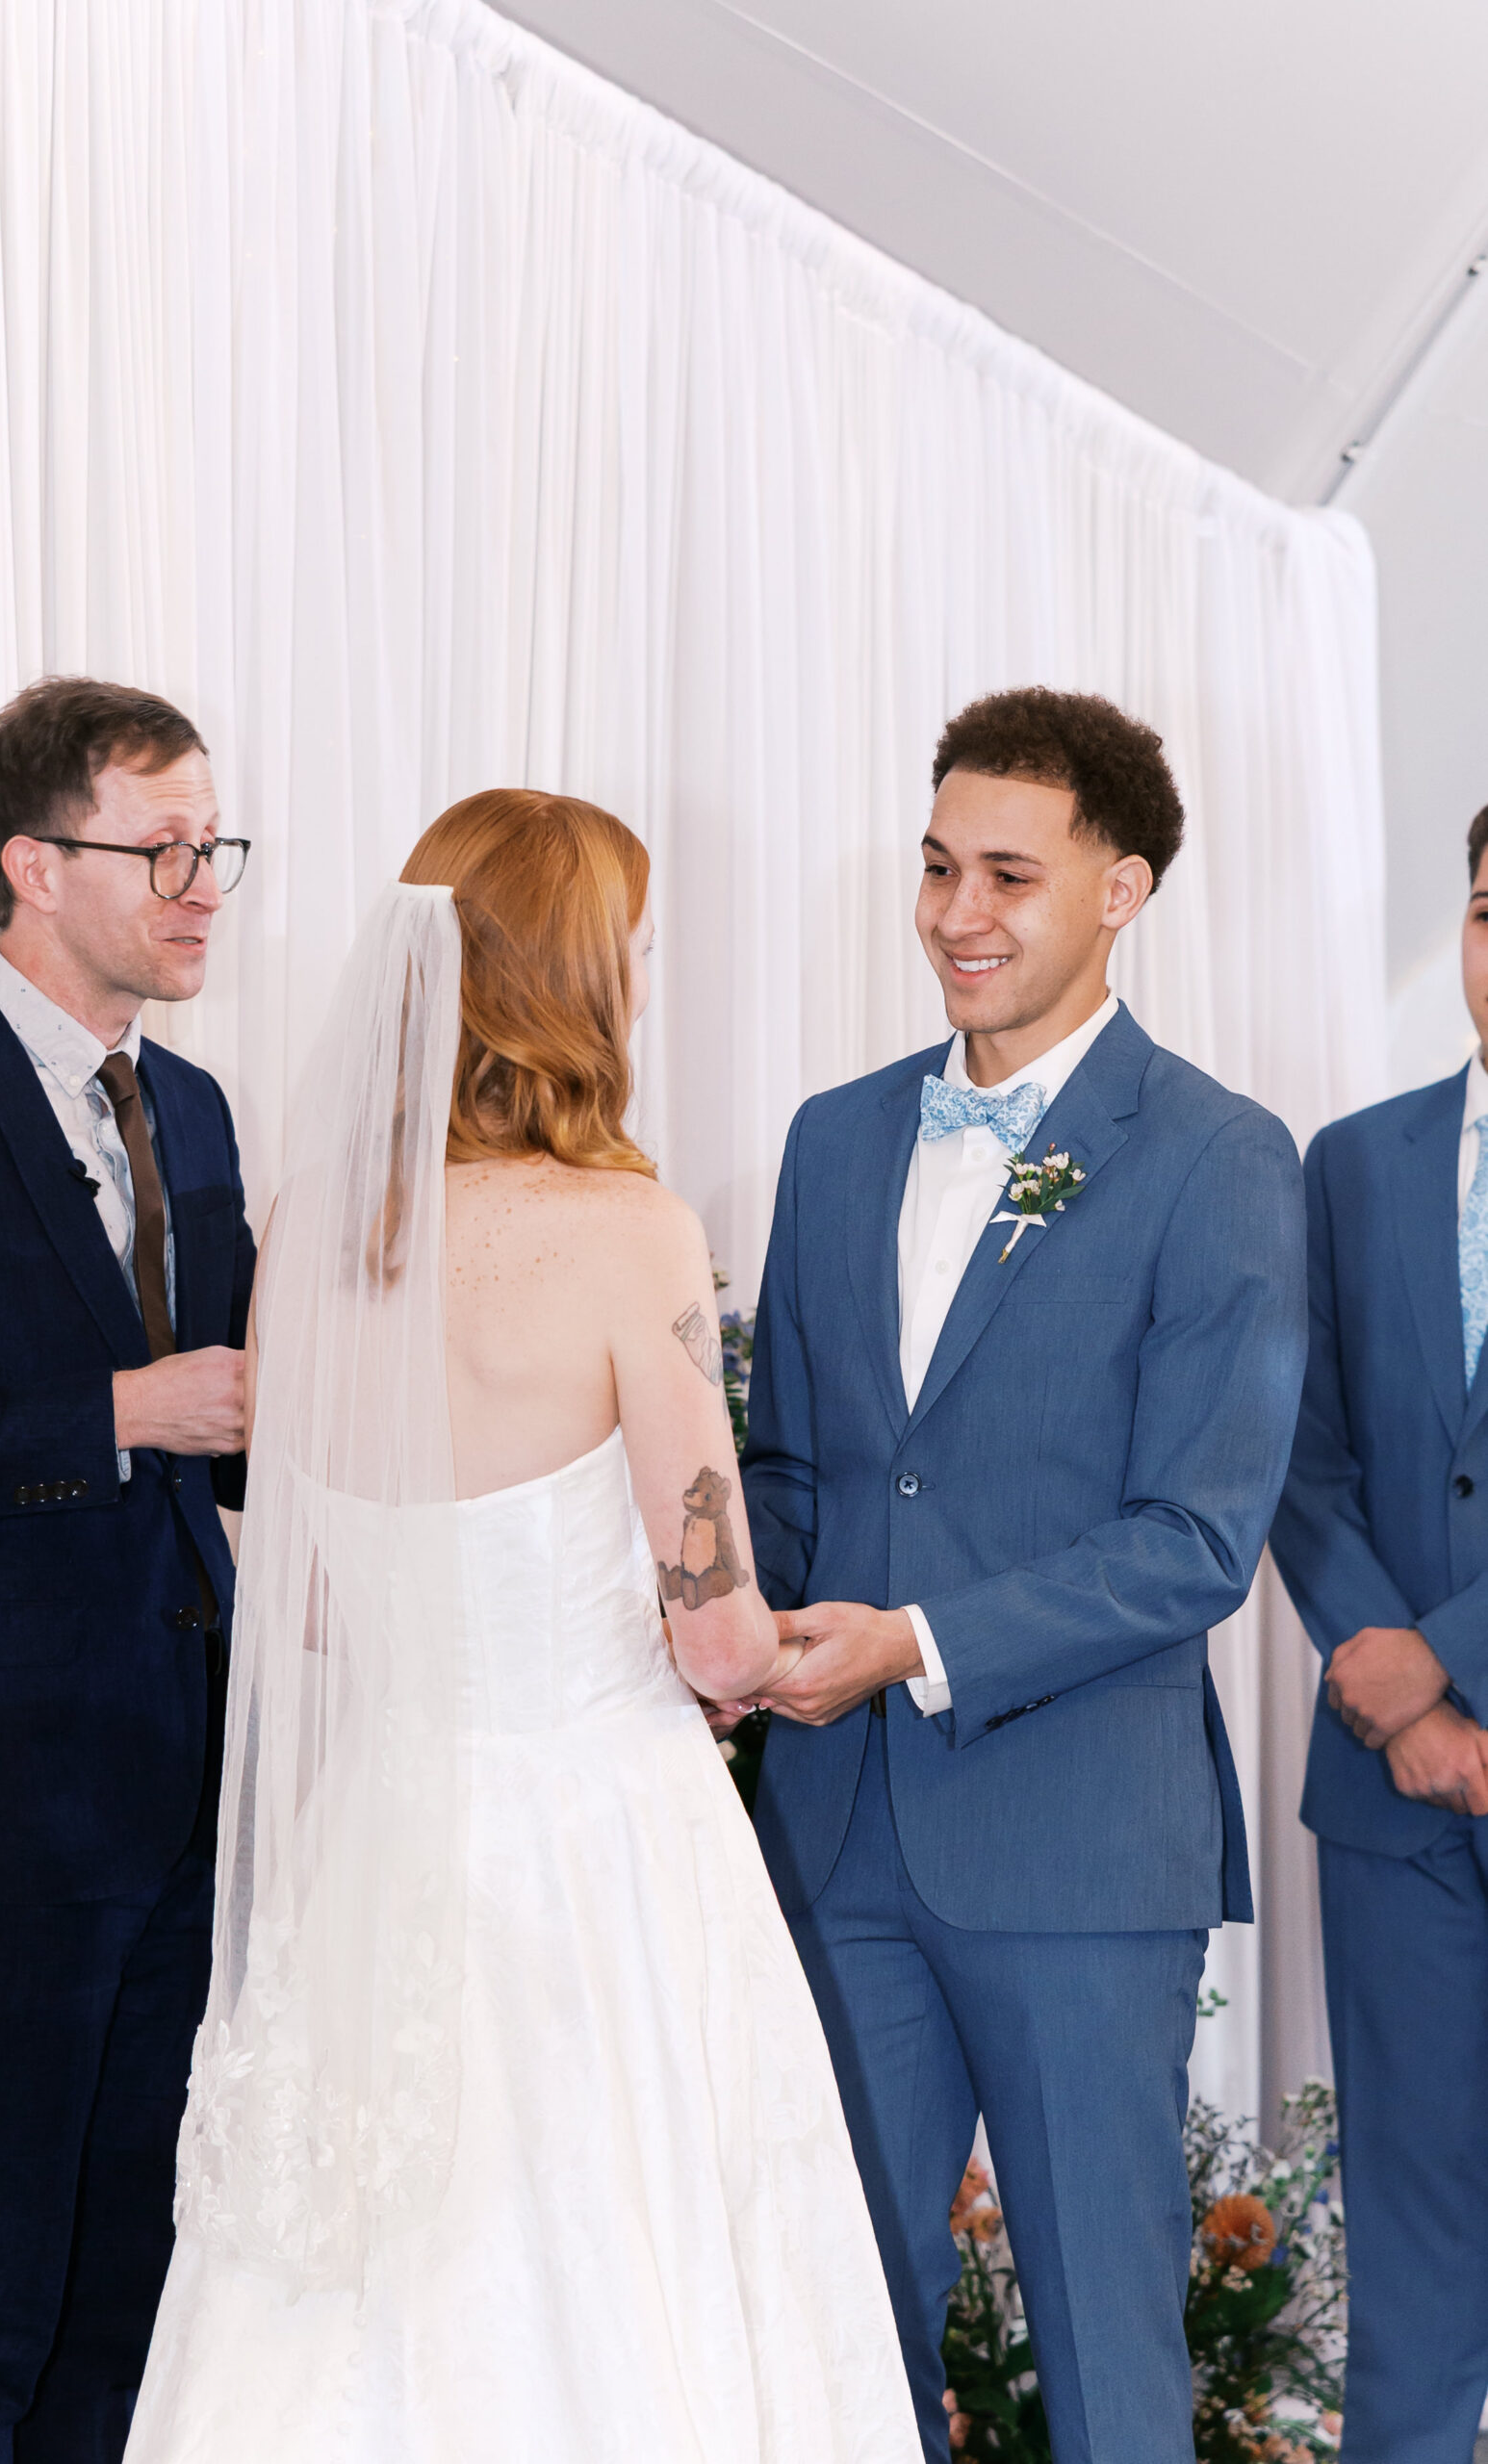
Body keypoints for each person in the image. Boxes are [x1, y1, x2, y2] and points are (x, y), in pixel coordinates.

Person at [125, 791, 922, 2462]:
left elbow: (314, 1602)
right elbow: (714, 1638)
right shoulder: (633, 1233)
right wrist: (805, 1657)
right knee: (626, 2267)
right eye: (629, 948)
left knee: (359, 2299)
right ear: (574, 979)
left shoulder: (316, 1244)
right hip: (600, 1844)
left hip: (383, 1834)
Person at [735, 688, 1309, 2464]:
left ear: (1123, 890)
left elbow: (1199, 1537)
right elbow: (792, 1468)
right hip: (835, 1840)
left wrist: (915, 1638)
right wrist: (725, 1612)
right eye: (935, 868)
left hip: (1078, 1849)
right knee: (825, 2336)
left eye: (1009, 875)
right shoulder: (834, 1137)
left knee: (1110, 2357)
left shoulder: (1219, 1156)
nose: (958, 915)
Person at [0, 677, 256, 2462]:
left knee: (133, 2282)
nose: (200, 884)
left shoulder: (206, 1111)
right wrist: (115, 1409)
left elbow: (228, 1424)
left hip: (187, 1788)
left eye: (211, 846)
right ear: (31, 864)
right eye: (158, 848)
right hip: (1, 1795)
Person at [1270, 802, 1488, 2464]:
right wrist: (1396, 1690)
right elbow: (1302, 1450)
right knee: (1408, 2239)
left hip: (1436, 1709)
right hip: (1388, 1802)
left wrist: (1456, 1658)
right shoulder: (1351, 1163)